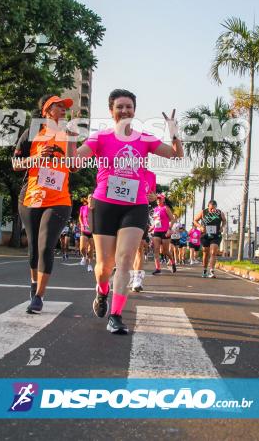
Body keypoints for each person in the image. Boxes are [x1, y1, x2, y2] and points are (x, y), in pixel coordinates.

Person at [74, 89, 183, 334]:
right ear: (111, 111)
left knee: (124, 260)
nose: (124, 111)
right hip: (105, 204)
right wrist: (71, 141)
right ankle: (102, 292)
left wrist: (173, 130)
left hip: (135, 206)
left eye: (129, 107)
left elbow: (177, 155)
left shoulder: (144, 138)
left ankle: (116, 315)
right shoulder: (100, 137)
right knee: (104, 265)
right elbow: (77, 160)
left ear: (134, 110)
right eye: (119, 107)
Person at [12, 95, 77, 314]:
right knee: (32, 250)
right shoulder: (31, 133)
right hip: (31, 197)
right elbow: (16, 165)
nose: (62, 110)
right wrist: (37, 157)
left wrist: (72, 139)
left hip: (59, 200)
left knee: (45, 246)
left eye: (64, 107)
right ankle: (33, 285)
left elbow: (74, 167)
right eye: (58, 106)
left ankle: (39, 295)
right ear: (46, 111)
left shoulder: (67, 134)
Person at [130, 170, 157, 292]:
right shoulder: (126, 170)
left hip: (141, 212)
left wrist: (153, 197)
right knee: (126, 250)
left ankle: (137, 279)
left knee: (139, 248)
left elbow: (153, 194)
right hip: (124, 211)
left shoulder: (151, 175)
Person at [194, 200, 226, 278]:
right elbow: (195, 220)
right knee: (205, 252)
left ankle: (211, 271)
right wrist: (200, 227)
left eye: (214, 208)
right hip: (205, 235)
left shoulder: (220, 212)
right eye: (211, 208)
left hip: (215, 235)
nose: (212, 210)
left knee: (213, 252)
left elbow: (224, 220)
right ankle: (205, 270)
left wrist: (222, 227)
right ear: (208, 206)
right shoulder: (203, 212)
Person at [150, 194, 176, 274]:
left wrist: (169, 229)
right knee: (156, 250)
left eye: (160, 199)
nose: (158, 201)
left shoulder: (166, 208)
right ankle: (158, 268)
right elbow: (156, 220)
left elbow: (172, 219)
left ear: (163, 200)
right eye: (157, 199)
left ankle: (173, 262)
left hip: (165, 232)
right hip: (157, 231)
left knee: (165, 252)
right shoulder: (156, 209)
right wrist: (152, 227)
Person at [79, 196, 94, 272]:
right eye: (90, 197)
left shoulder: (96, 209)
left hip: (93, 231)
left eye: (92, 198)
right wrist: (81, 224)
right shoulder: (83, 208)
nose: (91, 199)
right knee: (82, 248)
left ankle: (89, 265)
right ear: (87, 199)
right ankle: (84, 257)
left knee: (91, 249)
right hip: (84, 230)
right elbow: (80, 217)